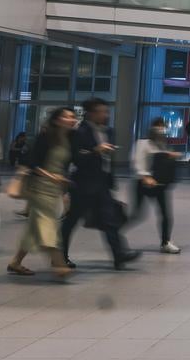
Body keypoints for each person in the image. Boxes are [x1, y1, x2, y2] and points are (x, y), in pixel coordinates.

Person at [59, 98, 139, 270]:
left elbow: (108, 161)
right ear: (91, 113)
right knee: (71, 221)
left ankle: (119, 256)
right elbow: (75, 158)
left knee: (110, 219)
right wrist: (96, 151)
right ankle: (60, 256)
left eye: (107, 111)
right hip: (82, 184)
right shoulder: (79, 132)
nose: (105, 115)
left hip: (102, 183)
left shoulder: (109, 131)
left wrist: (110, 179)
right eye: (102, 111)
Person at [7, 108, 77, 278]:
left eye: (73, 116)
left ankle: (15, 262)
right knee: (47, 224)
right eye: (67, 116)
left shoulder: (70, 138)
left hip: (54, 188)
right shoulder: (46, 137)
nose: (72, 119)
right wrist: (52, 177)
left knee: (33, 228)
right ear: (57, 120)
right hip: (39, 187)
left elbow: (65, 167)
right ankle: (58, 263)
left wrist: (63, 189)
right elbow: (31, 162)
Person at [132, 117, 181, 253]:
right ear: (152, 128)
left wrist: (170, 155)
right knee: (137, 214)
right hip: (143, 184)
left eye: (163, 127)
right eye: (158, 126)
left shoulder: (162, 144)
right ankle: (114, 229)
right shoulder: (143, 143)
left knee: (166, 214)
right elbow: (138, 161)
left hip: (159, 184)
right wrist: (144, 176)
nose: (161, 129)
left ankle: (165, 242)